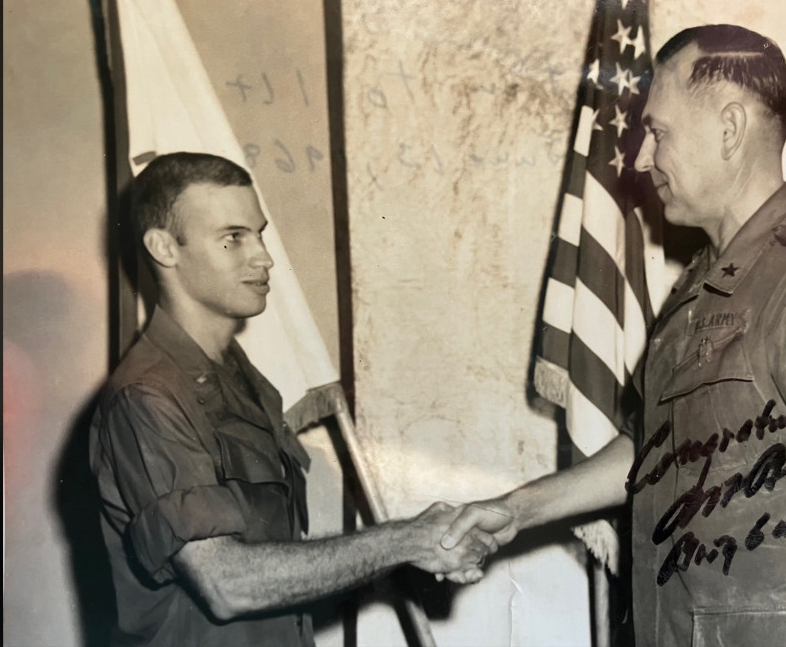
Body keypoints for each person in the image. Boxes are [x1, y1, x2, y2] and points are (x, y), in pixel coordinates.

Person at [441, 25, 786, 647]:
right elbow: (651, 449)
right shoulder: (700, 287)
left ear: (730, 128)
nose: (641, 159)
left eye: (659, 133)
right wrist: (516, 509)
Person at [89, 152, 493, 647]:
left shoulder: (239, 375)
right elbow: (225, 584)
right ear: (164, 248)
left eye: (259, 234)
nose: (264, 257)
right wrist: (407, 540)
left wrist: (419, 543)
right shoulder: (148, 397)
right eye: (233, 238)